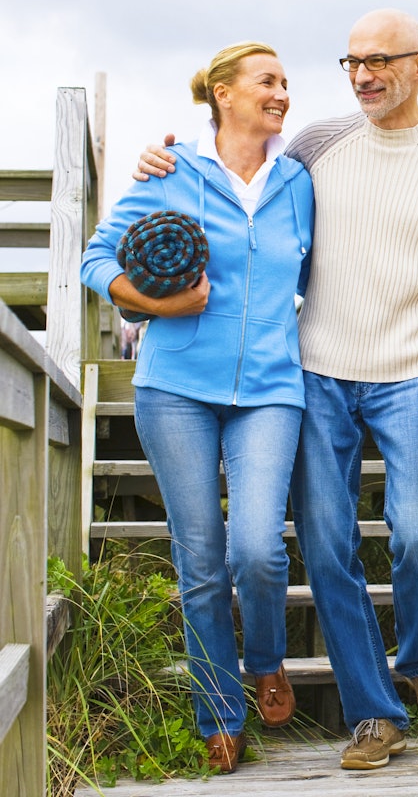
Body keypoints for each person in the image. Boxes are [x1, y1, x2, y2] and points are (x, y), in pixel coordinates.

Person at [137, 9, 418, 772]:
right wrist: (164, 156)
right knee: (327, 543)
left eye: (379, 60)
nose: (363, 74)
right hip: (317, 365)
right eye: (351, 62)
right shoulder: (315, 144)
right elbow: (243, 171)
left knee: (414, 528)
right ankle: (374, 713)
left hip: (414, 363)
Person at [84, 43, 313, 773]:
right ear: (222, 93)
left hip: (272, 389)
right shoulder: (172, 169)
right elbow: (97, 259)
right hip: (175, 387)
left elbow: (332, 263)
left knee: (256, 547)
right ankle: (218, 708)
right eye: (267, 81)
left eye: (284, 83)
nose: (281, 93)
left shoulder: (298, 182)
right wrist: (154, 302)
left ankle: (267, 657)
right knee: (203, 561)